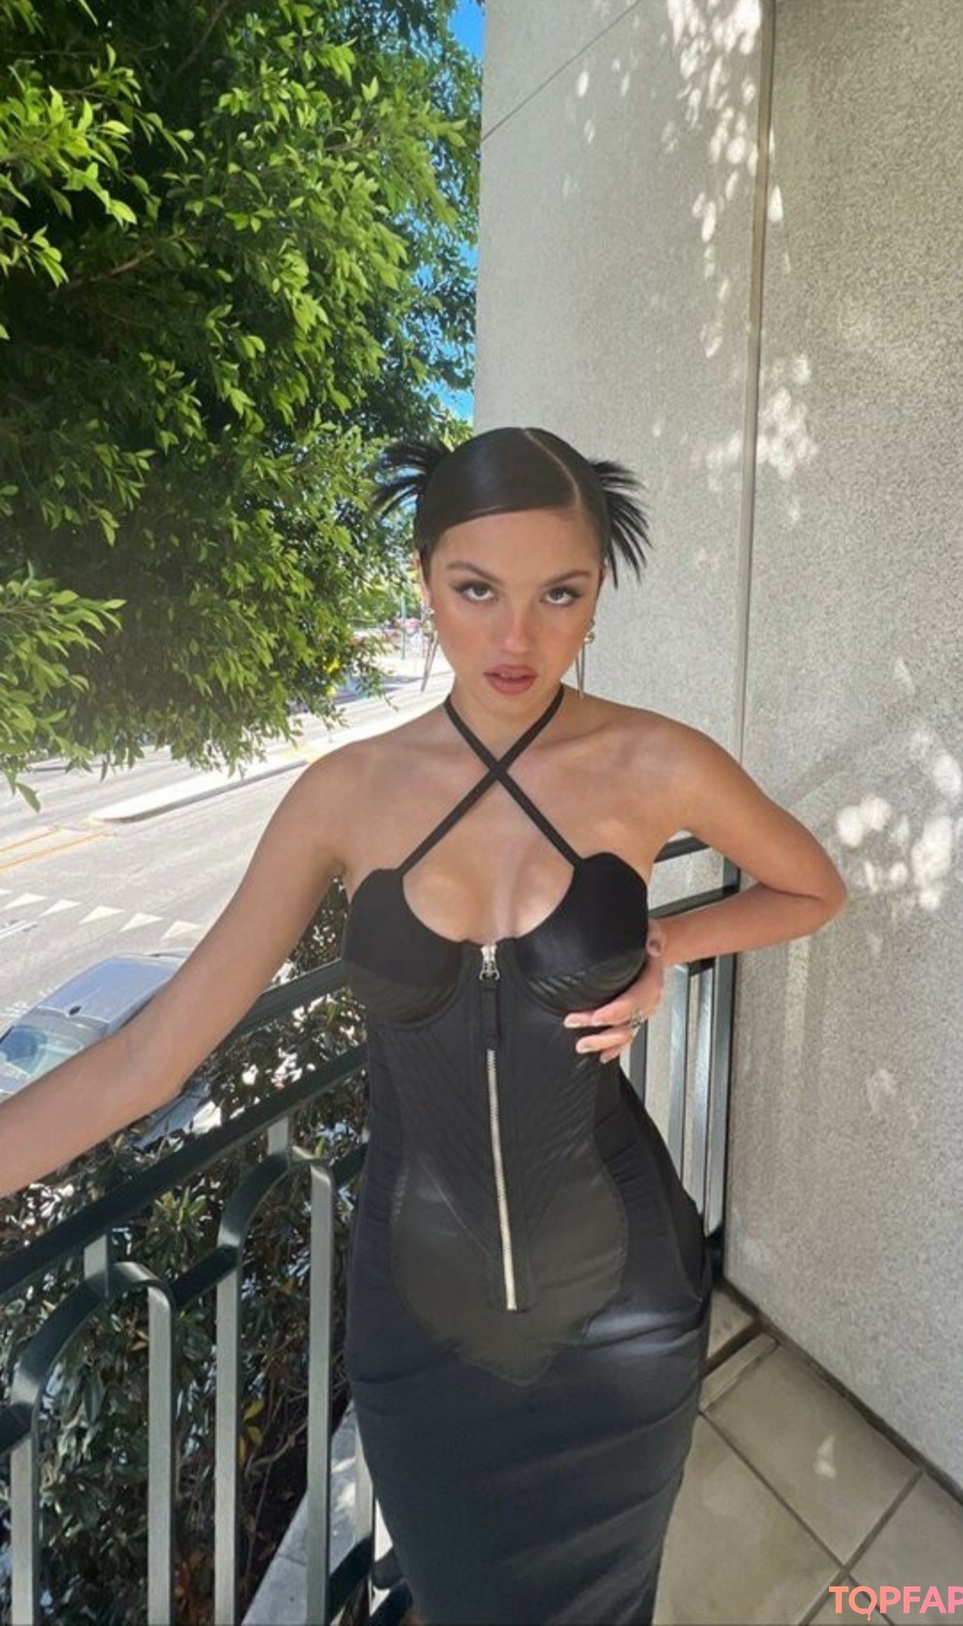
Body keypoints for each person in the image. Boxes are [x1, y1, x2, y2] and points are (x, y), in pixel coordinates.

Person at [0, 424, 847, 1624]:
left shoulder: (655, 760)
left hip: (628, 1316)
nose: (518, 638)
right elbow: (150, 1053)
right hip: (421, 1334)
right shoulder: (344, 794)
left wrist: (668, 945)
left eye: (561, 593)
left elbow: (812, 887)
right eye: (477, 589)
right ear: (424, 580)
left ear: (598, 592)